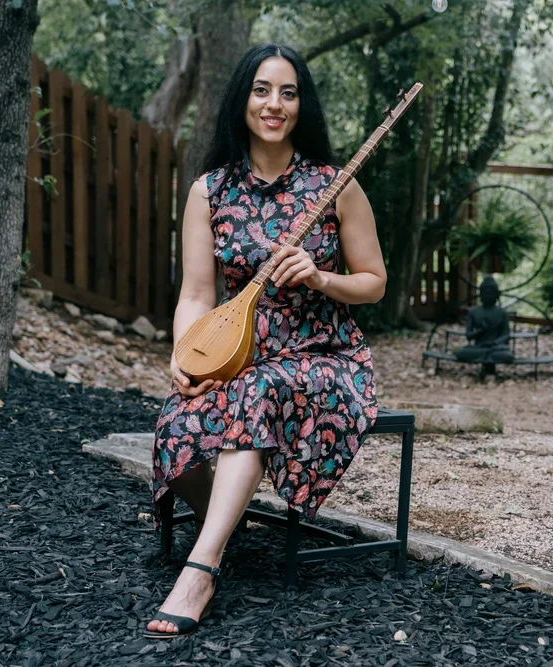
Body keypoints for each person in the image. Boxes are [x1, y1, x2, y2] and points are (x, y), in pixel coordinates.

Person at [144, 44, 386, 639]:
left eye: (287, 92)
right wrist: (186, 356)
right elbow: (197, 295)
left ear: (302, 104)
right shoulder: (210, 190)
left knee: (257, 397)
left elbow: (374, 283)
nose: (273, 104)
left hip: (323, 358)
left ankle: (201, 570)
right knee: (175, 427)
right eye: (261, 90)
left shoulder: (336, 186)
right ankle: (226, 525)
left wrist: (320, 276)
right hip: (238, 353)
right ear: (241, 99)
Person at [454, 276, 514, 372]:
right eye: (485, 292)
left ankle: (487, 359)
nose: (488, 295)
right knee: (462, 353)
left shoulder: (502, 312)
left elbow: (506, 334)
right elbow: (468, 335)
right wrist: (481, 331)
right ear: (481, 294)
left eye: (491, 292)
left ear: (496, 294)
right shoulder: (474, 312)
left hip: (495, 348)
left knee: (508, 356)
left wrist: (495, 343)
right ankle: (488, 358)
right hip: (479, 347)